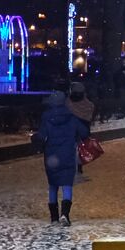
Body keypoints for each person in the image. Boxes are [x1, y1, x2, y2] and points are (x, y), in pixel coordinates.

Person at [33, 82, 89, 226]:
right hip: (67, 155)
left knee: (53, 185)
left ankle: (53, 218)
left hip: (51, 157)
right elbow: (84, 132)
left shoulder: (47, 117)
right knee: (67, 185)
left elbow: (41, 135)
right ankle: (65, 214)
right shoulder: (71, 117)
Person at [68, 81, 96, 182]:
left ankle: (74, 172)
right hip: (83, 130)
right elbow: (90, 113)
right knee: (80, 151)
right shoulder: (87, 104)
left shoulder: (68, 103)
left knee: (73, 152)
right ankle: (78, 172)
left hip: (71, 131)